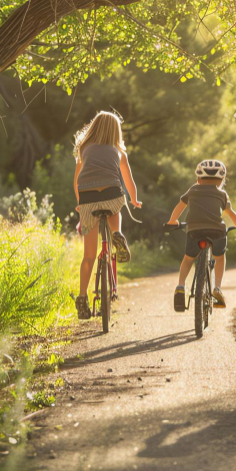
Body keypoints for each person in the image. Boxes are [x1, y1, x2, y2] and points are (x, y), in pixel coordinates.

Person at [73, 111, 142, 319]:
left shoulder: (83, 148)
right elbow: (129, 182)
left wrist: (80, 204)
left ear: (93, 127)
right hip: (112, 193)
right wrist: (134, 199)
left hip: (87, 197)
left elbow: (76, 181)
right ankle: (117, 234)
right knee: (115, 208)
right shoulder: (119, 151)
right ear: (116, 131)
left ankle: (82, 298)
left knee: (88, 256)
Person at [166, 160, 236, 310]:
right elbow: (230, 213)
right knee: (219, 256)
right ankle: (217, 287)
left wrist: (172, 221)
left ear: (198, 179)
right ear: (222, 180)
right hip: (217, 231)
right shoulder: (222, 194)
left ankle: (181, 286)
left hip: (194, 230)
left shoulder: (193, 190)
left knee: (188, 258)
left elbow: (180, 206)